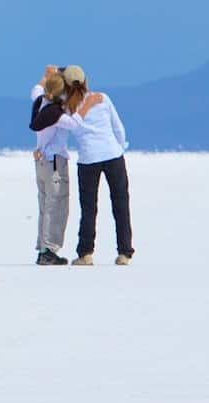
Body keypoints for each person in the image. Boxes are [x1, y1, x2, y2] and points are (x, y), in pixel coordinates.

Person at [60, 65, 134, 266]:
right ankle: (125, 252)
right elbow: (118, 127)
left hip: (88, 159)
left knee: (89, 207)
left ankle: (85, 253)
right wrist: (119, 147)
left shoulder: (67, 107)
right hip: (113, 155)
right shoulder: (102, 98)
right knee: (121, 205)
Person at [28, 65, 79, 265]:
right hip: (55, 163)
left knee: (44, 205)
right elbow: (76, 124)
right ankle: (49, 249)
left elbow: (36, 91)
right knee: (57, 205)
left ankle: (43, 246)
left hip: (41, 162)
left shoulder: (41, 103)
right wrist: (84, 103)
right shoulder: (58, 114)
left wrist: (46, 77)